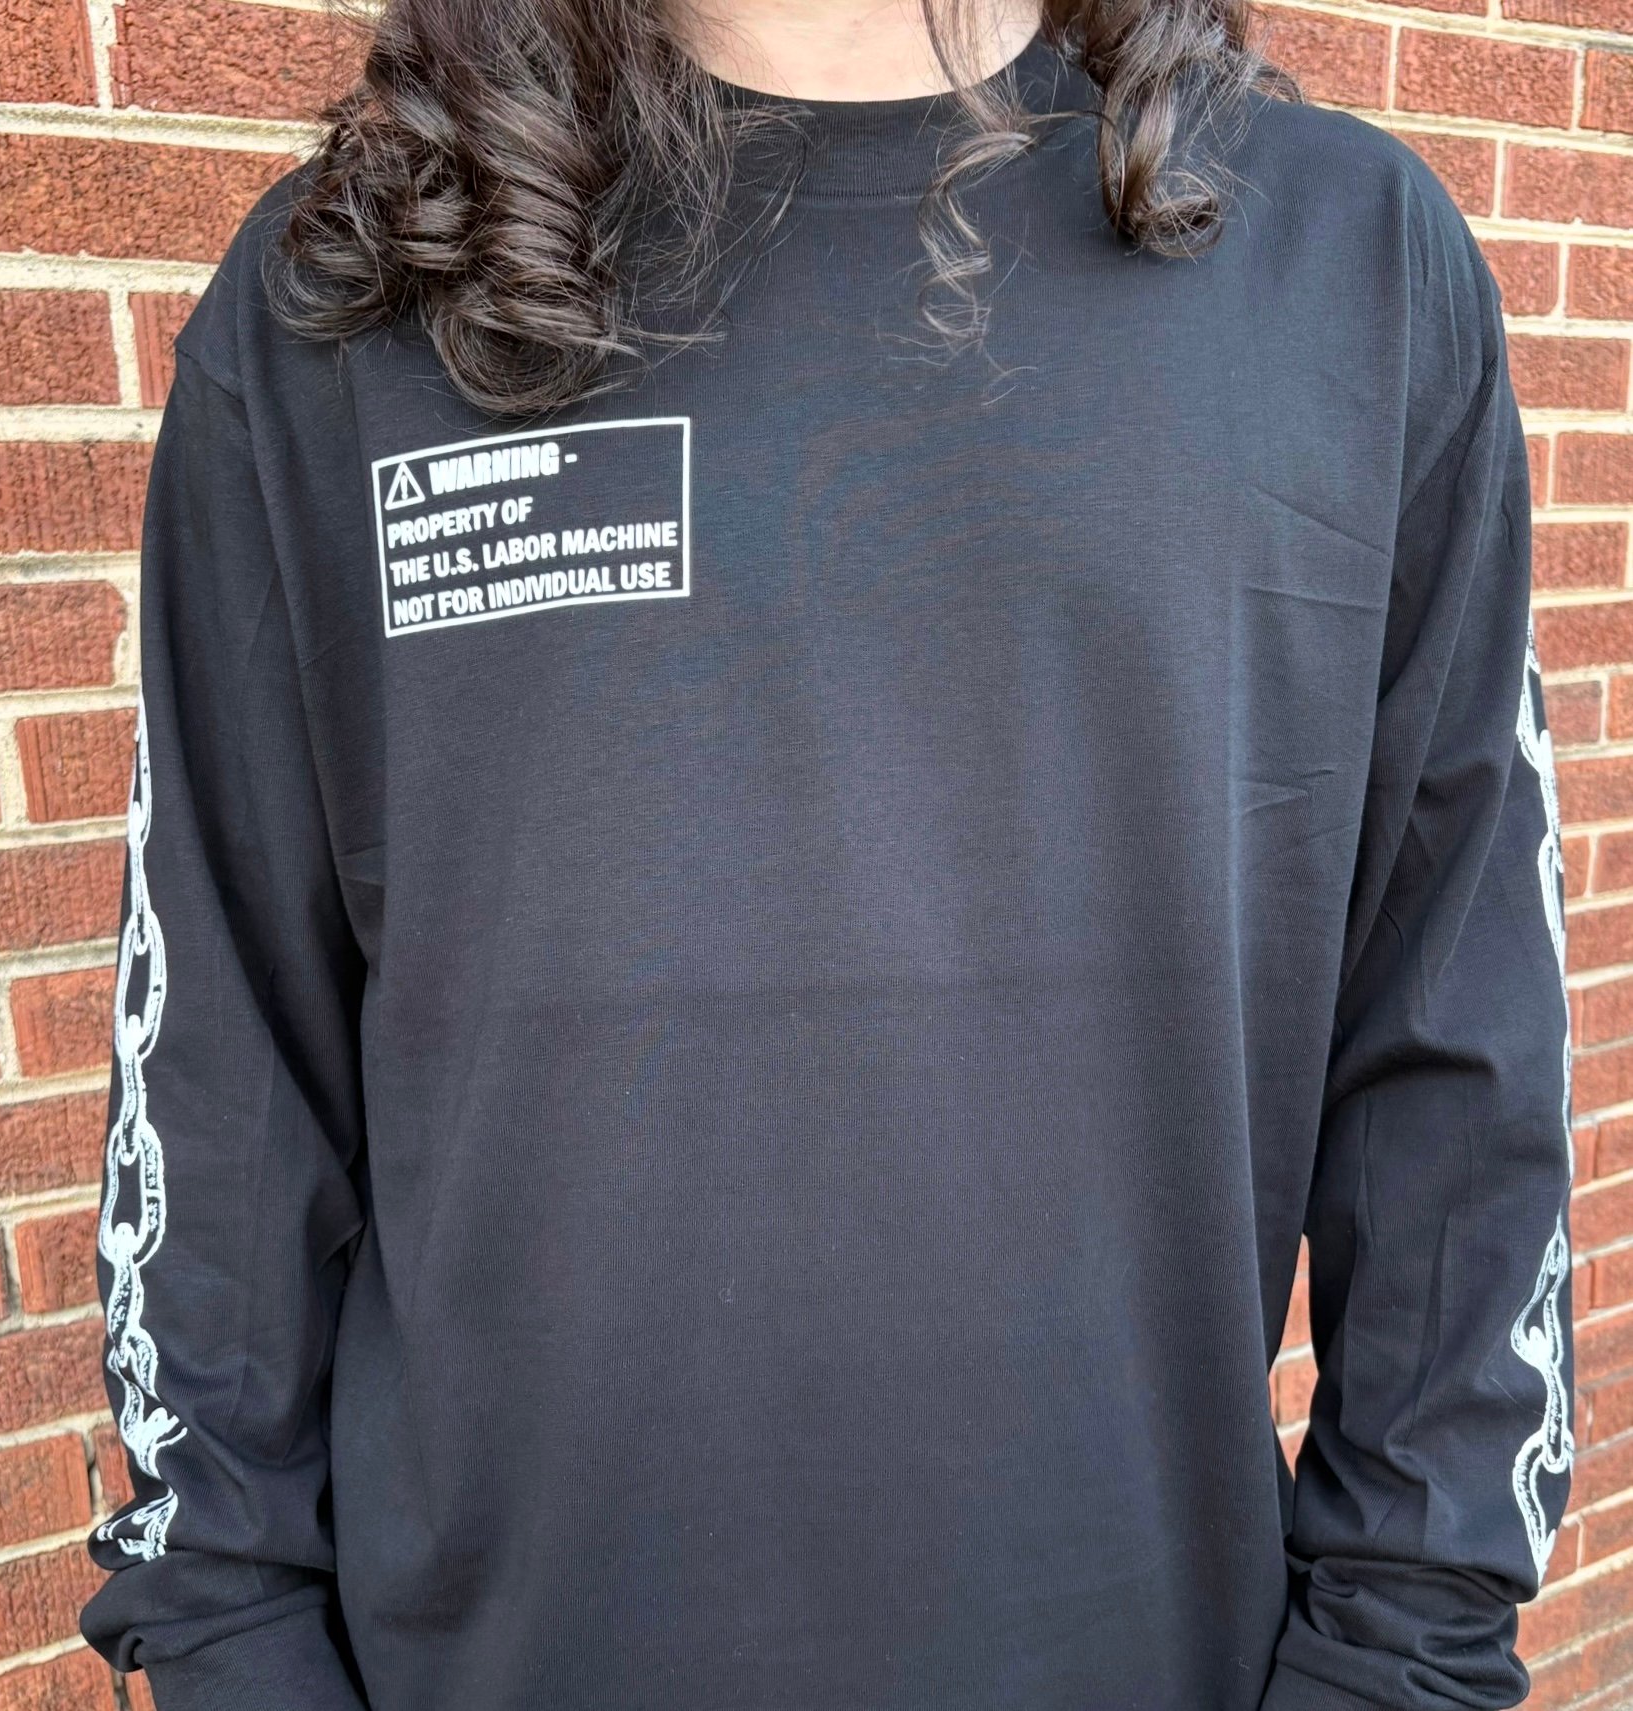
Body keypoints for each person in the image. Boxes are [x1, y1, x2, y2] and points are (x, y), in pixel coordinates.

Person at [77, 0, 1576, 1706]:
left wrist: (1396, 1658)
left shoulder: (1349, 269)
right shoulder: (347, 301)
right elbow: (221, 1088)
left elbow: (1456, 1074)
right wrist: (240, 1653)